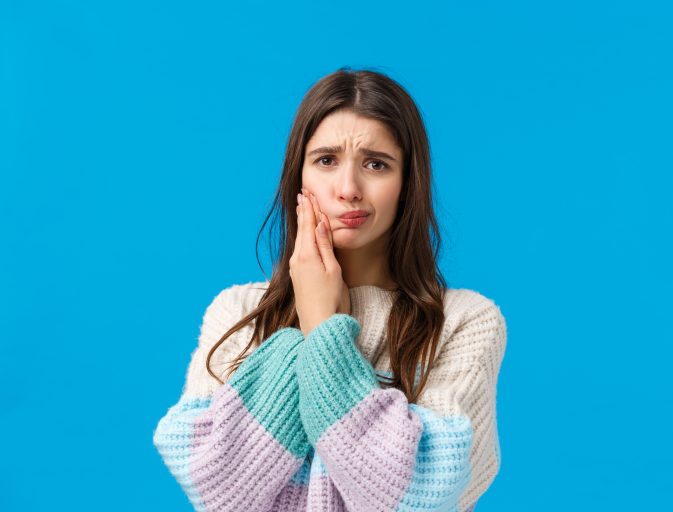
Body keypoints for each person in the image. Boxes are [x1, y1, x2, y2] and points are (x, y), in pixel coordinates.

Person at [152, 67, 508, 511]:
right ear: (297, 177)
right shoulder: (237, 310)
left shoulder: (463, 322)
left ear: (407, 183)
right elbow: (221, 490)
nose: (348, 189)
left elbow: (420, 494)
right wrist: (302, 327)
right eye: (326, 160)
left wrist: (323, 327)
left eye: (376, 164)